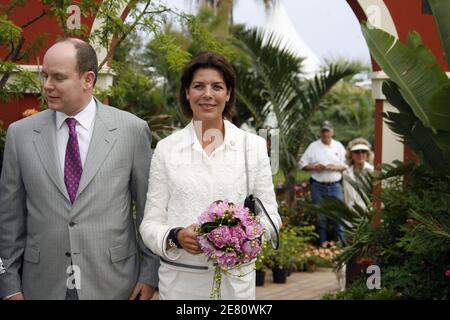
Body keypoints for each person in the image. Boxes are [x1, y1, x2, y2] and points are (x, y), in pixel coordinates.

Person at [0, 38, 159, 300]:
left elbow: (147, 209)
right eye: (45, 76)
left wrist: (149, 274)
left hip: (115, 284)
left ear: (88, 79)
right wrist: (8, 285)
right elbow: (9, 220)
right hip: (41, 285)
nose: (47, 85)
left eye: (58, 77)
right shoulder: (20, 134)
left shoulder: (132, 130)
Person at [139, 52, 281, 300]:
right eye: (198, 86)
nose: (207, 94)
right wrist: (175, 236)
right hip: (181, 286)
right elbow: (150, 224)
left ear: (228, 94)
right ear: (187, 92)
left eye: (217, 86)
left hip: (236, 287)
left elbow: (271, 218)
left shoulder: (253, 146)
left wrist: (245, 235)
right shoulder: (166, 149)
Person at [299, 120, 347, 246]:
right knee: (321, 217)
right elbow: (302, 164)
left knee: (339, 216)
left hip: (335, 185)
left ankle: (341, 246)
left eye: (328, 131)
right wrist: (314, 167)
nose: (326, 133)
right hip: (318, 186)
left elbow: (345, 165)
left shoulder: (339, 146)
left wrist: (335, 167)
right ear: (320, 132)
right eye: (323, 131)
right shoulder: (313, 146)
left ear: (332, 132)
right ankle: (322, 246)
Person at [343, 137, 374, 210]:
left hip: (368, 212)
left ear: (367, 154)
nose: (360, 154)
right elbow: (346, 198)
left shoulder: (372, 171)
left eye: (363, 151)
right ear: (351, 155)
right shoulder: (346, 173)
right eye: (357, 152)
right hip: (352, 212)